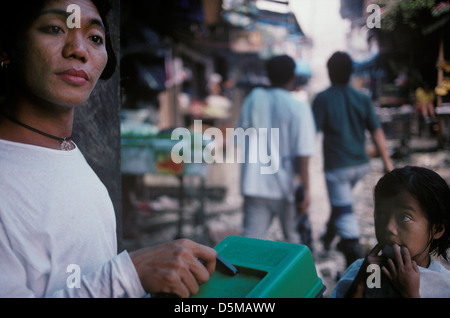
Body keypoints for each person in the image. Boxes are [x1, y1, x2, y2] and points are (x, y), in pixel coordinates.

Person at [0, 0, 216, 298]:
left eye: (95, 38)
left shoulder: (67, 153)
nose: (78, 50)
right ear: (7, 47)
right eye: (54, 28)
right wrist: (130, 275)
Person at [312, 51, 394, 267]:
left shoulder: (322, 99)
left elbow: (311, 133)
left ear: (329, 73)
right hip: (361, 165)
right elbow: (377, 132)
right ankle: (328, 239)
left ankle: (354, 257)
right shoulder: (362, 98)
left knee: (345, 211)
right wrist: (387, 163)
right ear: (351, 73)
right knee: (342, 203)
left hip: (337, 168)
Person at [331, 166, 450, 298]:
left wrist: (409, 294)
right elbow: (372, 292)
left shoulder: (443, 286)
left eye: (404, 217)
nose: (388, 227)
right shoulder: (370, 272)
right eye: (381, 215)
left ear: (437, 229)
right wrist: (360, 284)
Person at [237, 55, 316, 244]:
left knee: (250, 245)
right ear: (294, 77)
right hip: (286, 188)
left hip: (254, 185)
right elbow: (303, 154)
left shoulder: (252, 100)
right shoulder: (299, 107)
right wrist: (306, 188)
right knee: (295, 245)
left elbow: (240, 138)